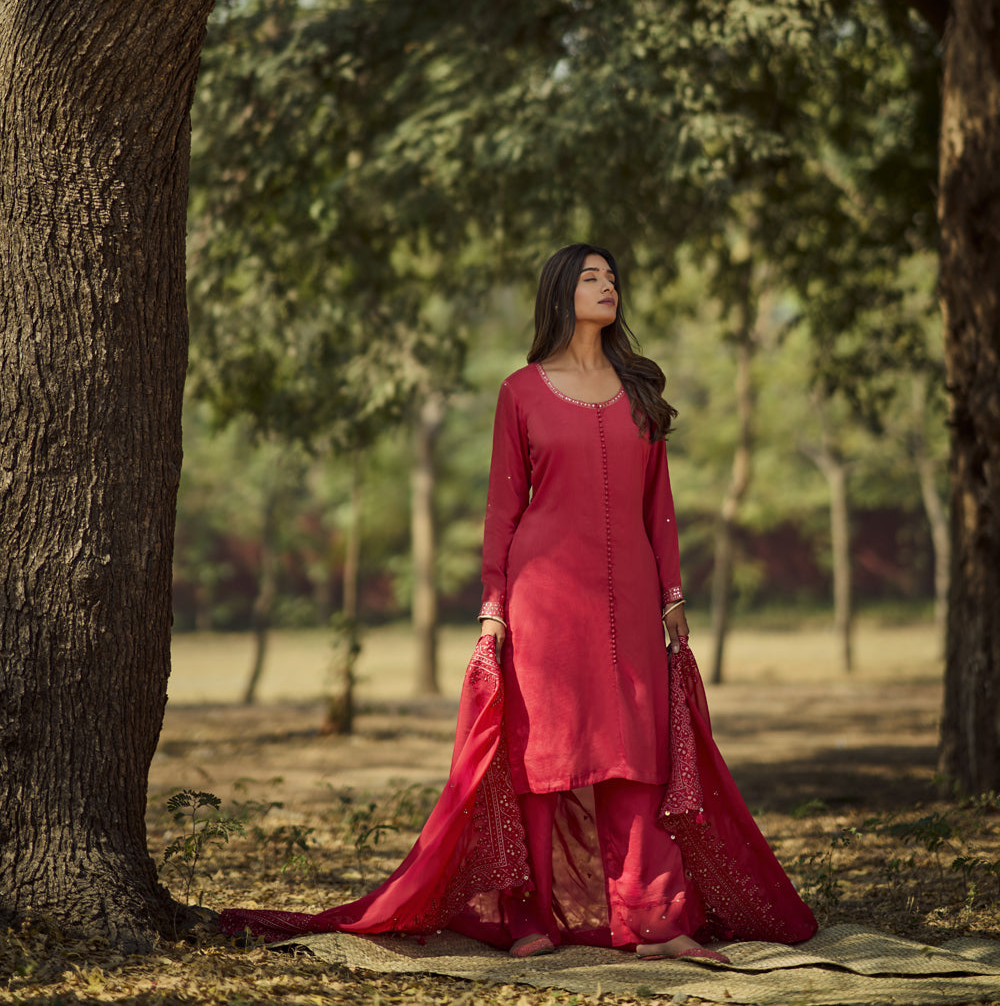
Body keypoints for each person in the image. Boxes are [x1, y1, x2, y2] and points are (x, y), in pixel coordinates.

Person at [217, 244, 816, 962]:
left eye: (613, 278)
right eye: (593, 278)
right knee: (544, 756)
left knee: (638, 752)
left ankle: (653, 924)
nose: (609, 287)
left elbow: (661, 506)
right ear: (562, 294)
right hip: (543, 601)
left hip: (630, 594)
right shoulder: (520, 392)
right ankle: (529, 916)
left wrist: (672, 592)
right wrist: (495, 605)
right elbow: (503, 510)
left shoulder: (639, 389)